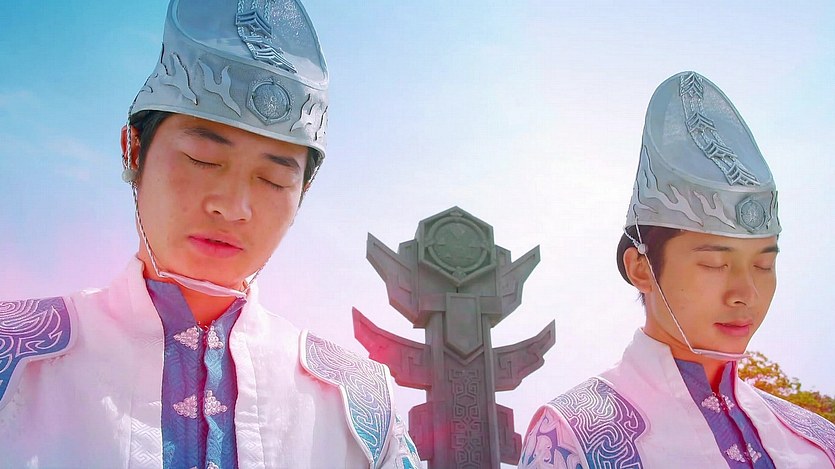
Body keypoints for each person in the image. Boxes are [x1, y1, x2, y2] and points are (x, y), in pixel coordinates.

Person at [0, 1, 420, 468]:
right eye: (202, 159)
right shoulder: (13, 358)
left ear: (302, 193)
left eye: (274, 180)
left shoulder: (359, 403)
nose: (234, 207)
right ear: (133, 150)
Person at [518, 71, 835, 468]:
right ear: (641, 268)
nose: (745, 294)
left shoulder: (818, 442)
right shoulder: (574, 435)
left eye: (763, 264)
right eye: (714, 264)